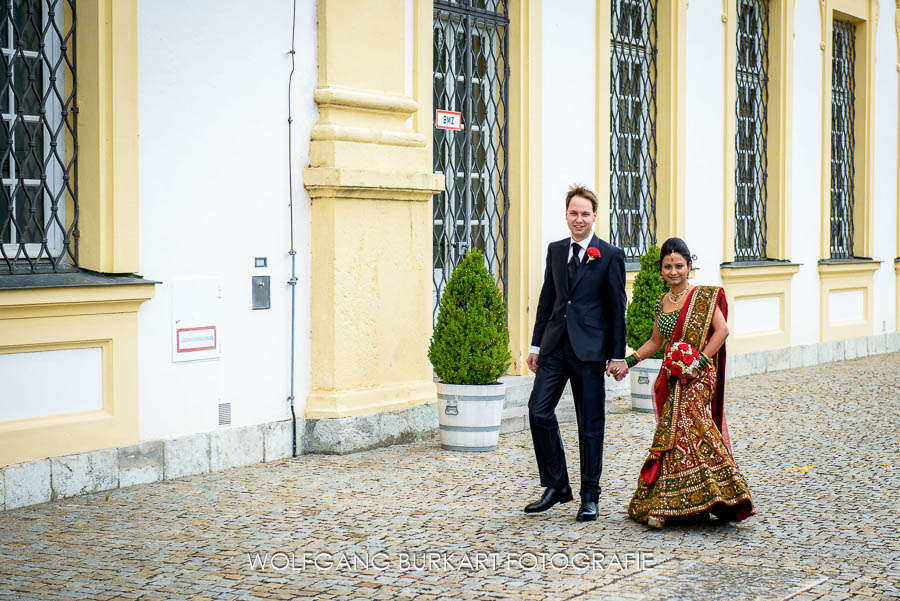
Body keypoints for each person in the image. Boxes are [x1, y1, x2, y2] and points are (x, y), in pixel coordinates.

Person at [624, 237, 754, 528]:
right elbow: (656, 342)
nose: (673, 272)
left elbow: (721, 332)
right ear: (661, 269)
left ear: (689, 267)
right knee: (675, 433)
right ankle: (686, 500)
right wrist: (628, 362)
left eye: (679, 266)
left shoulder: (704, 297)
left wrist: (699, 363)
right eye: (668, 266)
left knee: (687, 422)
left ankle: (725, 490)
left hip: (700, 374)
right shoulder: (663, 302)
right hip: (673, 377)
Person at [524, 184, 627, 522]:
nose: (579, 219)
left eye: (585, 214)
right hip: (554, 348)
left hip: (590, 352)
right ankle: (556, 486)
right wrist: (536, 346)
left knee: (590, 425)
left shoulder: (609, 255)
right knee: (538, 412)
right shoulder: (555, 250)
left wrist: (616, 354)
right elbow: (547, 301)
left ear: (594, 216)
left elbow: (616, 309)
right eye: (573, 213)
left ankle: (589, 496)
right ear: (566, 215)